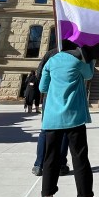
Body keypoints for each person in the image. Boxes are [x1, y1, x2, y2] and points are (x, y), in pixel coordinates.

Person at [39, 41, 99, 197]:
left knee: (50, 159)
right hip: (73, 118)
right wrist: (91, 59)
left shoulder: (51, 62)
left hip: (52, 118)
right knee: (80, 158)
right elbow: (89, 75)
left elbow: (42, 87)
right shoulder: (77, 62)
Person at [33, 47, 70, 177]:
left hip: (49, 95)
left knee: (45, 129)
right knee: (65, 130)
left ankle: (39, 165)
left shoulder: (50, 54)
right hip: (65, 96)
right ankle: (60, 164)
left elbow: (39, 73)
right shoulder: (72, 54)